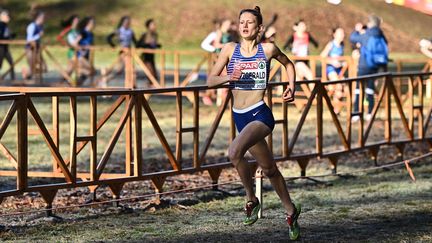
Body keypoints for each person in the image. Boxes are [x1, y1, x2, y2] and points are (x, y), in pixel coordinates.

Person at [207, 6, 301, 240]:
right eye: (242, 22)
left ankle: (251, 199)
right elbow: (210, 80)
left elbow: (289, 64)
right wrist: (230, 76)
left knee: (234, 151)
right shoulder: (230, 49)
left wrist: (292, 86)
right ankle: (291, 210)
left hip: (260, 114)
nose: (245, 26)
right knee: (269, 169)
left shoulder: (267, 49)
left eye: (250, 22)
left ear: (259, 28)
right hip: (240, 116)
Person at [350, 14, 388, 122]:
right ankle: (370, 113)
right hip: (376, 65)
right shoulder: (381, 34)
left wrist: (356, 30)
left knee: (358, 89)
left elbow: (353, 38)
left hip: (364, 65)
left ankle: (357, 112)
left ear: (370, 23)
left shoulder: (367, 34)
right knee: (370, 89)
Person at [98, 16, 137, 87]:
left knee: (126, 70)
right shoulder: (119, 30)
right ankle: (104, 78)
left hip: (129, 52)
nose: (127, 24)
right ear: (122, 22)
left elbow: (136, 42)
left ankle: (132, 85)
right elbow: (109, 37)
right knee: (124, 70)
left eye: (128, 22)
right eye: (125, 22)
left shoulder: (131, 31)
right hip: (122, 52)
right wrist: (113, 45)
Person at [320, 27, 346, 113]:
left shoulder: (342, 45)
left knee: (345, 87)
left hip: (339, 70)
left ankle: (336, 110)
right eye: (340, 33)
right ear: (334, 35)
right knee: (338, 86)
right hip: (331, 69)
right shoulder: (331, 44)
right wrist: (332, 62)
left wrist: (343, 63)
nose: (342, 35)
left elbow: (341, 58)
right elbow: (322, 56)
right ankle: (334, 108)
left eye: (343, 33)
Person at [137, 18, 161, 86]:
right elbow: (138, 45)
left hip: (152, 57)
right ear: (148, 26)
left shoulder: (155, 34)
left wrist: (157, 45)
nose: (154, 26)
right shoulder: (145, 34)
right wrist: (147, 44)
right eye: (153, 24)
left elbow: (153, 45)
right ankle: (147, 91)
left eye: (154, 24)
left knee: (154, 76)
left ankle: (149, 91)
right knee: (152, 76)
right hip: (146, 57)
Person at [57, 14, 80, 84]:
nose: (77, 21)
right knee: (70, 69)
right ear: (72, 21)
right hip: (72, 52)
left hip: (77, 52)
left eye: (78, 20)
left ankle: (66, 82)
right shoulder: (69, 29)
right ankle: (61, 82)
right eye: (76, 20)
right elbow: (59, 37)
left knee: (71, 69)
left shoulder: (77, 30)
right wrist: (66, 44)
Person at [24, 11, 47, 80]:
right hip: (30, 49)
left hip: (37, 49)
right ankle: (28, 74)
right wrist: (38, 35)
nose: (44, 19)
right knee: (32, 68)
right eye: (43, 18)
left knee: (44, 68)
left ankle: (28, 74)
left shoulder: (40, 26)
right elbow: (29, 39)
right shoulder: (32, 26)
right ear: (39, 18)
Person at [0, 9, 15, 81]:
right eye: (7, 16)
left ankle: (13, 80)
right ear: (2, 17)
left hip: (5, 48)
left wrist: (11, 36)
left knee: (11, 63)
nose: (8, 18)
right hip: (1, 48)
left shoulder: (5, 25)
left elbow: (7, 35)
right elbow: (1, 36)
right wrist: (8, 37)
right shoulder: (1, 25)